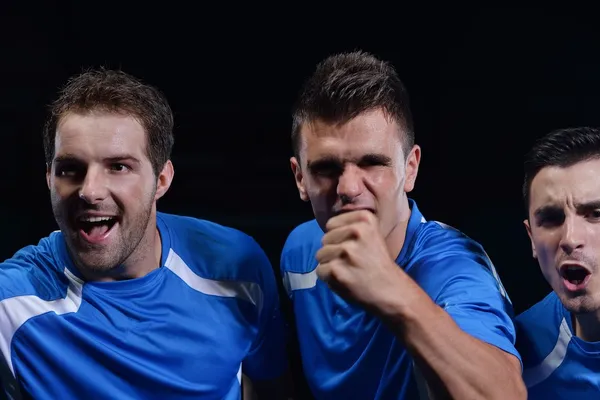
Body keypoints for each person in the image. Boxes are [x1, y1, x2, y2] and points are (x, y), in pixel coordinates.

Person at [0, 68, 288, 400]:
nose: (89, 191)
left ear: (161, 180)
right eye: (70, 169)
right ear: (50, 178)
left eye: (118, 167)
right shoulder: (13, 304)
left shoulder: (237, 266)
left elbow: (270, 389)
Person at [280, 50, 526, 399]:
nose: (348, 189)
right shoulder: (299, 251)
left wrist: (393, 290)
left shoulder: (455, 267)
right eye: (325, 168)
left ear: (410, 168)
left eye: (372, 163)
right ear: (300, 177)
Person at [517, 126, 600, 398]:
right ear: (531, 238)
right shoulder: (515, 360)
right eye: (551, 219)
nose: (570, 238)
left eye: (595, 214)